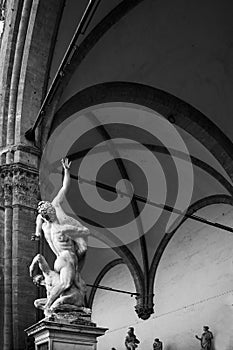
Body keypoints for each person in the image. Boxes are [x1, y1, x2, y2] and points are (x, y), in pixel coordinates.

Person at [32, 158, 90, 315]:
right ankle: (48, 306)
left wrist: (37, 234)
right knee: (65, 284)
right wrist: (66, 171)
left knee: (81, 286)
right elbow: (65, 187)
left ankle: (79, 308)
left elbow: (39, 220)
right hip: (67, 257)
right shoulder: (61, 226)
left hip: (59, 259)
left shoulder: (44, 225)